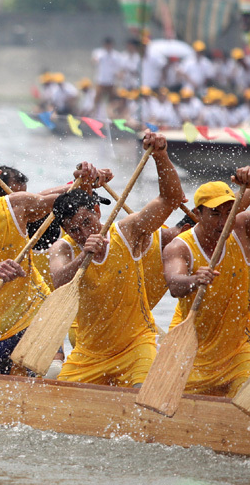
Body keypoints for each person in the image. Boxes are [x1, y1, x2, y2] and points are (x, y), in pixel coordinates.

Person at [0, 152, 105, 375]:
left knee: (50, 374)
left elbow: (64, 205)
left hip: (35, 312)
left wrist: (86, 182)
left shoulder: (17, 205)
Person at [48, 132, 183, 387]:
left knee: (142, 398)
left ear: (97, 211)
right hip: (88, 353)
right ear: (65, 230)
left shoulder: (126, 231)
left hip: (136, 346)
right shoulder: (63, 248)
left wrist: (161, 156)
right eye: (74, 229)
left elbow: (170, 199)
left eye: (87, 222)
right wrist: (83, 257)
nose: (83, 233)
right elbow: (58, 282)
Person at [162, 170, 250, 396]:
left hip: (239, 352)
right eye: (215, 214)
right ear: (198, 213)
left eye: (229, 212)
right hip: (194, 355)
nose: (223, 221)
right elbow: (175, 286)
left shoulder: (243, 227)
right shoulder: (179, 247)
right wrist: (194, 280)